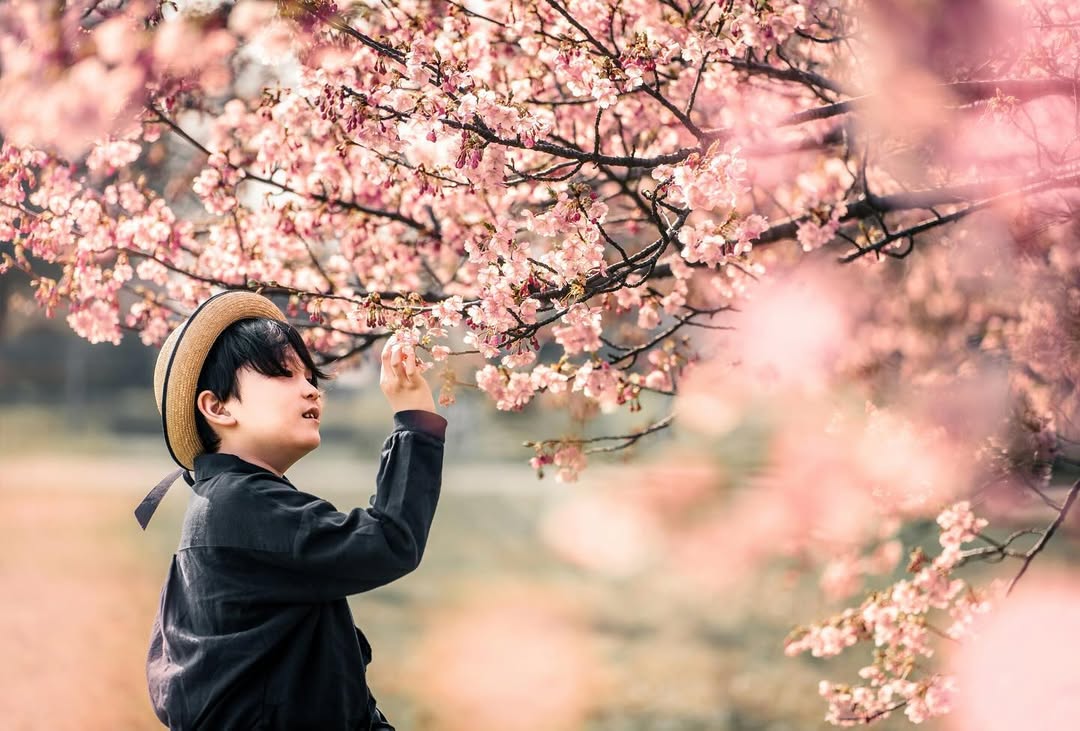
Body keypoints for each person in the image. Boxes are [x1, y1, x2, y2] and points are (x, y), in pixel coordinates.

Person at [134, 290, 447, 730]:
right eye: (282, 374)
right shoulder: (240, 504)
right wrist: (415, 421)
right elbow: (389, 542)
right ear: (217, 406)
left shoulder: (229, 500)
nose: (309, 390)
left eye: (310, 377)